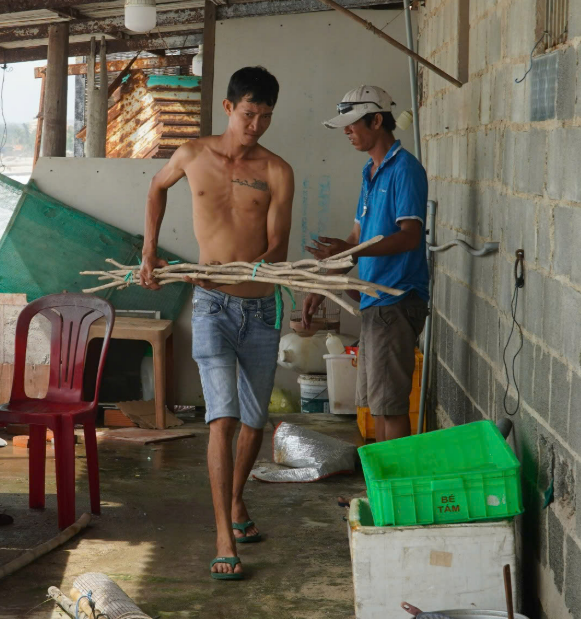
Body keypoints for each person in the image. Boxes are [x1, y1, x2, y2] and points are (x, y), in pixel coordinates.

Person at [138, 65, 294, 581]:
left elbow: (277, 247)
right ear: (229, 108)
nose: (256, 126)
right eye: (250, 114)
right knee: (222, 418)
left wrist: (256, 266)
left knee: (254, 422)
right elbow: (157, 189)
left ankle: (235, 501)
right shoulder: (192, 155)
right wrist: (149, 252)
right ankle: (225, 537)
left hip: (260, 309)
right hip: (209, 305)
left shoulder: (276, 170)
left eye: (266, 117)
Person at [302, 85, 429, 443]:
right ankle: (383, 486)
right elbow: (355, 240)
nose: (347, 131)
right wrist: (322, 286)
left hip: (397, 298)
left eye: (353, 123)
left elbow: (410, 236)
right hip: (376, 302)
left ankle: (394, 492)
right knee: (378, 404)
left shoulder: (404, 170)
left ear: (376, 120)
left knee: (390, 406)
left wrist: (352, 253)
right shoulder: (370, 173)